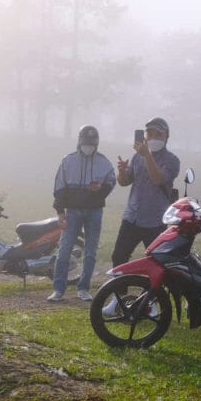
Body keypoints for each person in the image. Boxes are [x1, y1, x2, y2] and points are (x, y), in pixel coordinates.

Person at [47, 125, 116, 302]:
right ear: (79, 142)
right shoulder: (68, 161)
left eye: (92, 144)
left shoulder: (103, 162)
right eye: (86, 143)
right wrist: (60, 212)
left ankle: (84, 288)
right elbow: (59, 187)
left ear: (97, 144)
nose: (88, 146)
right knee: (64, 250)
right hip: (73, 212)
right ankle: (58, 289)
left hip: (95, 212)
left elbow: (111, 180)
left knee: (91, 252)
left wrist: (100, 190)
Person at [110, 117, 180, 267]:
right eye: (149, 134)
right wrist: (121, 171)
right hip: (132, 216)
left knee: (158, 262)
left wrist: (147, 155)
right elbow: (124, 182)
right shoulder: (137, 157)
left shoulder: (172, 160)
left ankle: (154, 290)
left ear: (166, 137)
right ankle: (119, 291)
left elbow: (158, 179)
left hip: (155, 220)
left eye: (158, 134)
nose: (153, 137)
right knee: (118, 257)